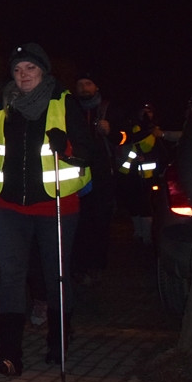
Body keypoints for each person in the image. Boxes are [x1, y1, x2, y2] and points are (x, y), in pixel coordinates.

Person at [0, 43, 92, 377]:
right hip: (10, 205)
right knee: (12, 278)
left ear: (43, 71)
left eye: (30, 68)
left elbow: (89, 154)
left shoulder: (63, 103)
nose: (23, 75)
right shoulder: (5, 105)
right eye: (17, 70)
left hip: (56, 205)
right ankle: (9, 354)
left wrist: (69, 147)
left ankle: (58, 339)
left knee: (55, 276)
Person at [70, 72, 122, 284]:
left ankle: (96, 265)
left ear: (97, 86)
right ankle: (79, 265)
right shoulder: (70, 110)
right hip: (77, 173)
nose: (84, 88)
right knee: (79, 221)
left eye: (88, 83)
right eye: (80, 84)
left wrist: (111, 131)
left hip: (102, 174)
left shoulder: (109, 108)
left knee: (100, 220)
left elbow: (124, 136)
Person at [116, 101, 167, 245]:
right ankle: (138, 232)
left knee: (146, 205)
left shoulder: (155, 131)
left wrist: (148, 158)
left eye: (149, 111)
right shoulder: (132, 128)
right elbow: (127, 143)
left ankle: (147, 237)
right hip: (129, 172)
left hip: (147, 175)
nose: (146, 114)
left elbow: (161, 153)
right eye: (143, 111)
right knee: (133, 204)